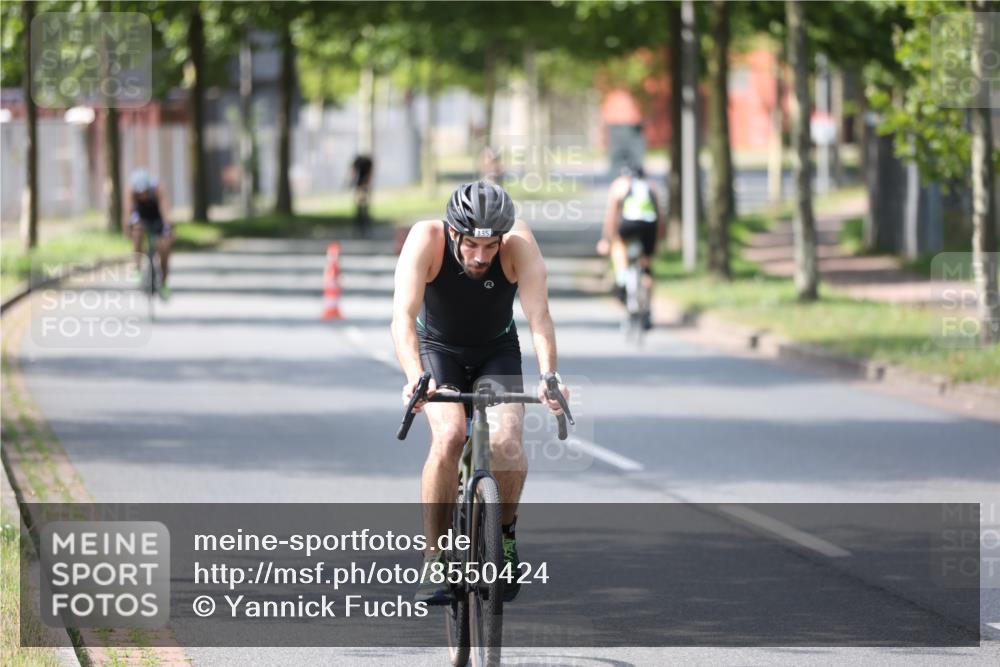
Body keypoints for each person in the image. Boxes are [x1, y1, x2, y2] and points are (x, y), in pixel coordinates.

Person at [391, 180, 569, 605]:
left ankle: (503, 537)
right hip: (438, 350)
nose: (480, 257)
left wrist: (549, 375)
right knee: (450, 435)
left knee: (506, 443)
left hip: (496, 351)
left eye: (490, 246)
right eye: (471, 244)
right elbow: (402, 317)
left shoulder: (519, 245)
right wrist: (416, 377)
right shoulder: (426, 239)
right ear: (453, 232)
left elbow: (539, 316)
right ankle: (434, 558)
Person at [597, 164, 663, 329]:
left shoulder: (620, 185)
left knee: (618, 243)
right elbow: (660, 217)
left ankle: (622, 278)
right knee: (647, 267)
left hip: (628, 224)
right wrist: (657, 241)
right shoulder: (651, 186)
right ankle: (648, 310)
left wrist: (606, 240)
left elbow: (611, 216)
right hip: (649, 226)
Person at [127, 169, 174, 300]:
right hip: (141, 216)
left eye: (145, 192)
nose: (142, 196)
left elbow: (165, 210)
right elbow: (127, 211)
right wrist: (128, 229)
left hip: (157, 217)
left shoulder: (158, 189)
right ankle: (137, 266)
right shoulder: (131, 192)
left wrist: (168, 228)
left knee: (164, 247)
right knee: (137, 232)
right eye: (139, 193)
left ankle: (164, 282)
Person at [350, 154, 374, 238]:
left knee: (362, 209)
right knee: (361, 209)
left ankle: (363, 228)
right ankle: (361, 228)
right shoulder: (363, 161)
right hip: (361, 186)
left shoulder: (365, 161)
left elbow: (354, 173)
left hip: (362, 186)